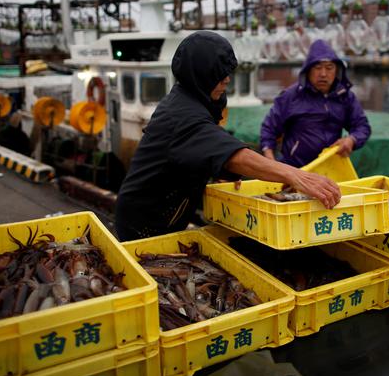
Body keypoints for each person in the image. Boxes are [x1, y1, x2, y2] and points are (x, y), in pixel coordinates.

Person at [115, 31, 341, 242]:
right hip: (144, 223)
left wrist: (220, 171)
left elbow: (196, 150)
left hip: (167, 211)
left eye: (228, 73)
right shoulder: (182, 115)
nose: (227, 80)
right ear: (201, 74)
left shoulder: (192, 97)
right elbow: (236, 156)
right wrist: (297, 176)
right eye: (219, 74)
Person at [260, 39, 371, 168]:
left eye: (329, 68)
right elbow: (269, 129)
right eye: (317, 68)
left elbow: (362, 126)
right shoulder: (291, 96)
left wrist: (352, 140)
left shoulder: (345, 97)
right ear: (308, 70)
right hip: (295, 169)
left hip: (329, 168)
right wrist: (270, 161)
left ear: (337, 71)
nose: (323, 74)